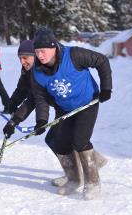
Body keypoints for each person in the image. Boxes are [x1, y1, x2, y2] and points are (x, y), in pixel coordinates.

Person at [3, 40, 108, 190]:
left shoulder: (51, 64)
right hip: (61, 107)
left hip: (75, 105)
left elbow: (35, 99)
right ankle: (76, 171)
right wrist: (13, 113)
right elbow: (26, 94)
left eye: (26, 58)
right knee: (54, 140)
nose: (23, 62)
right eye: (20, 58)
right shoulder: (29, 72)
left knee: (68, 139)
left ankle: (87, 166)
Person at [31, 27, 111, 200]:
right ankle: (74, 179)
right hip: (64, 108)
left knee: (80, 141)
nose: (40, 55)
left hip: (87, 103)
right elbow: (41, 99)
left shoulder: (74, 55)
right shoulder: (37, 72)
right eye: (37, 52)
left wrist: (106, 88)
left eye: (43, 51)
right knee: (60, 143)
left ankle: (93, 182)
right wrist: (41, 120)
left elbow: (102, 61)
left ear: (54, 48)